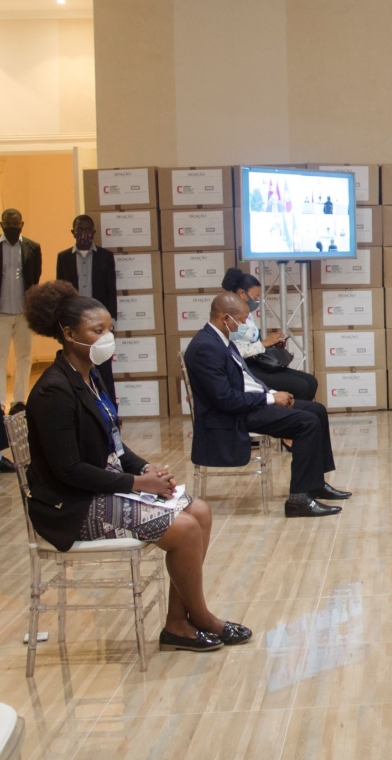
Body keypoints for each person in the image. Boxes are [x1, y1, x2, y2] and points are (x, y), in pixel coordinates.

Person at [22, 281, 250, 652]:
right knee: (186, 530)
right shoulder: (53, 391)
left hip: (102, 486)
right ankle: (200, 618)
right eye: (97, 331)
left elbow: (112, 441)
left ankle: (178, 623)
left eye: (109, 329)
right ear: (67, 334)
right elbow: (69, 470)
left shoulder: (90, 377)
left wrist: (148, 470)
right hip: (72, 505)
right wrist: (137, 483)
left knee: (201, 511)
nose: (106, 338)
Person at [184, 293, 349, 518]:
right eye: (241, 321)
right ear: (225, 318)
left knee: (316, 410)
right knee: (306, 422)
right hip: (229, 416)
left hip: (246, 404)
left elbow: (246, 379)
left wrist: (271, 392)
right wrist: (271, 399)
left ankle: (314, 482)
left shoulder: (221, 340)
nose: (243, 325)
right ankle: (298, 500)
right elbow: (224, 399)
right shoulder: (205, 347)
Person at [219, 267, 318, 401]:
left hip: (257, 362)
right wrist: (264, 343)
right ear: (242, 293)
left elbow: (251, 343)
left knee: (311, 381)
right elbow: (234, 352)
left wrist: (273, 343)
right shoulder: (230, 318)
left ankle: (303, 416)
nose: (257, 301)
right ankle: (293, 417)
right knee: (302, 387)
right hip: (245, 369)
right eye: (255, 297)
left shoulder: (248, 316)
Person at [56, 215, 117, 402]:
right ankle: (81, 404)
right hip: (75, 322)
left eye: (88, 230)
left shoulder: (105, 257)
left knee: (104, 367)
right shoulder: (64, 257)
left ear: (94, 233)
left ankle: (110, 409)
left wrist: (112, 320)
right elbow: (61, 291)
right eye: (79, 230)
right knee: (76, 364)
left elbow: (110, 290)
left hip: (98, 322)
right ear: (72, 232)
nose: (84, 234)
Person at [0, 208, 41, 410]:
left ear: (22, 225)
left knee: (24, 357)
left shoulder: (33, 248)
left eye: (15, 226)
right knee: (0, 358)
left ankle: (18, 401)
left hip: (24, 313)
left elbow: (35, 279)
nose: (12, 230)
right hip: (1, 314)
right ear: (1, 226)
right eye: (8, 226)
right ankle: (0, 402)